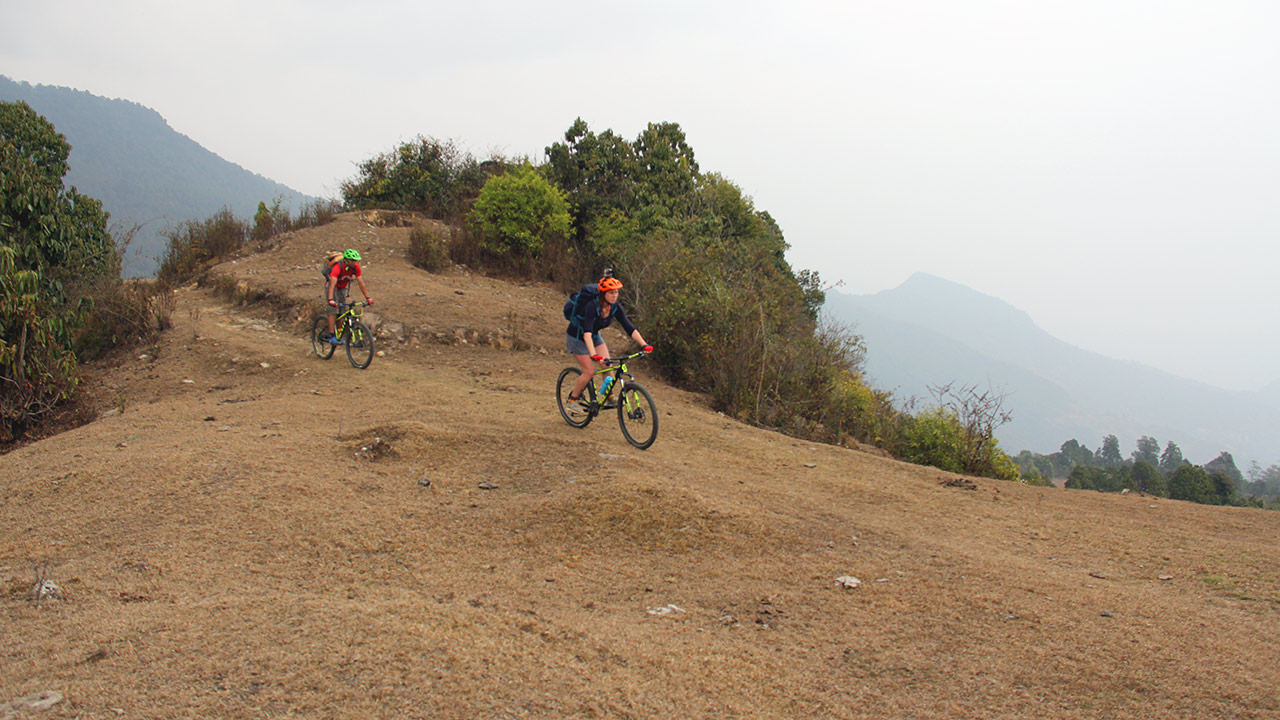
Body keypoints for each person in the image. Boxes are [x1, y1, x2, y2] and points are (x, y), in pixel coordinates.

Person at [565, 274, 652, 410]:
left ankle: (609, 397)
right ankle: (572, 400)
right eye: (611, 293)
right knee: (589, 372)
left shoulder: (614, 307)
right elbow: (586, 333)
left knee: (607, 364)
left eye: (616, 292)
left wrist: (644, 344)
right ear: (603, 294)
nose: (614, 295)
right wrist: (593, 354)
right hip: (577, 337)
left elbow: (629, 327)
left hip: (594, 336)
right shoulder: (591, 306)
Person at [325, 248, 373, 342]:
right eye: (352, 260)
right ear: (346, 260)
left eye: (355, 260)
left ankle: (339, 334)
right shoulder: (338, 267)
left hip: (342, 287)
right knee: (333, 310)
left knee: (342, 311)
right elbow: (332, 285)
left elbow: (361, 283)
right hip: (332, 287)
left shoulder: (355, 267)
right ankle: (331, 334)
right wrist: (330, 299)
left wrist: (368, 297)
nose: (354, 262)